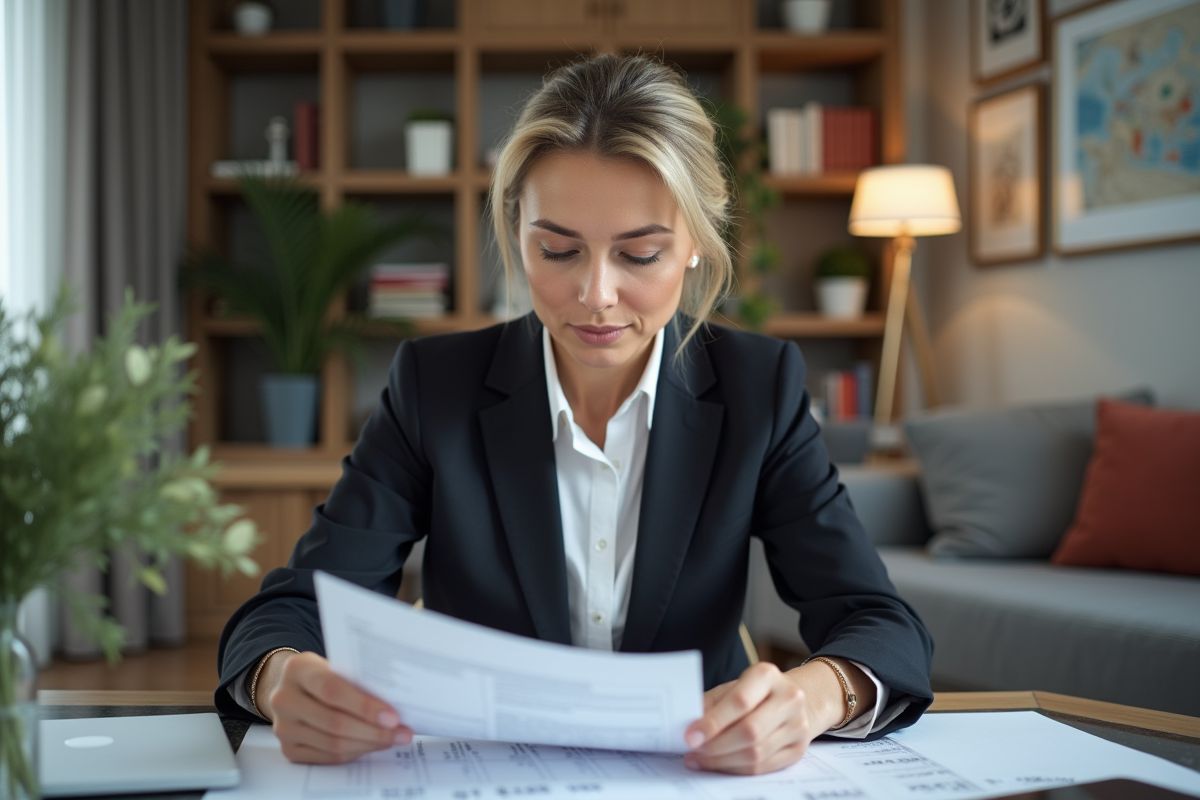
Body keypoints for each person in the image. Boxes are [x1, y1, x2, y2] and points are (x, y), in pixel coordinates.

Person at [215, 53, 933, 776]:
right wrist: (283, 679)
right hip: (480, 774)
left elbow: (881, 624)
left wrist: (811, 699)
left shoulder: (758, 389)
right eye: (557, 249)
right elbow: (288, 612)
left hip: (689, 781)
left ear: (693, 245)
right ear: (516, 229)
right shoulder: (437, 386)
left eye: (640, 254)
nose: (596, 294)